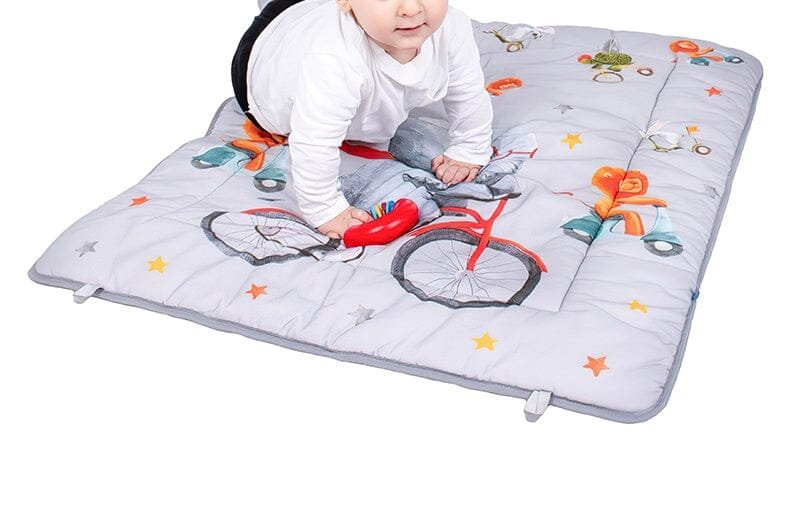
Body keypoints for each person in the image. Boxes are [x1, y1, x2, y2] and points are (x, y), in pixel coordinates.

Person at [231, 0, 494, 239]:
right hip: (263, 56)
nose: (412, 8)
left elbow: (468, 91)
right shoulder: (333, 56)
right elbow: (314, 141)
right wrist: (326, 209)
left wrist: (470, 148)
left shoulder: (452, 27)